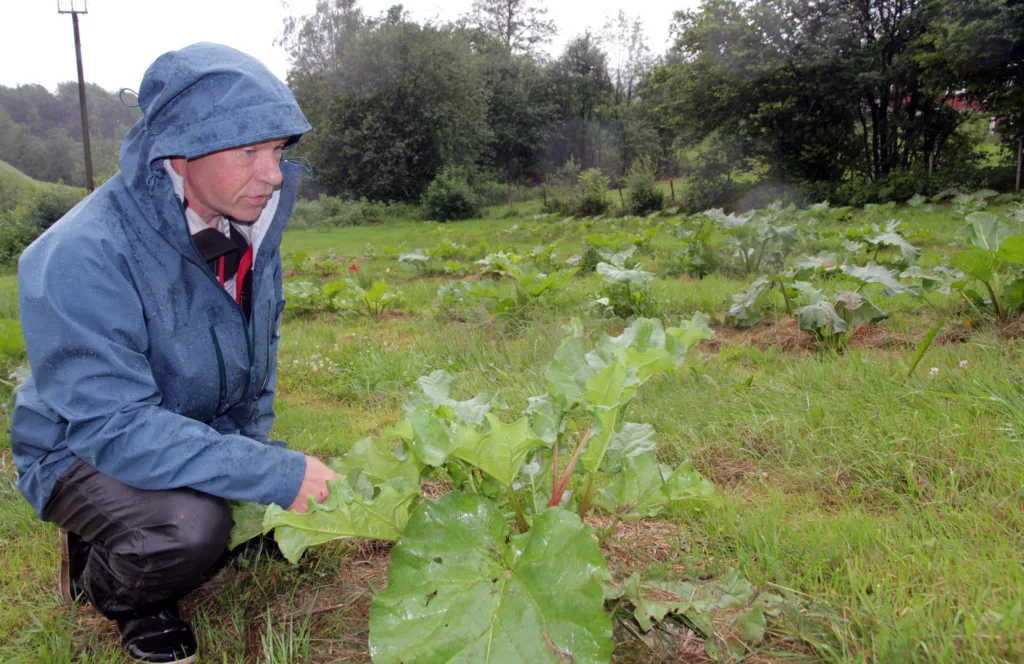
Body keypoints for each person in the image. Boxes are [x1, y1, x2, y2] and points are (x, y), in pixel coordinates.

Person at [10, 43, 338, 664]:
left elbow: (254, 355)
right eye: (249, 151)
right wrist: (272, 474)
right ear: (180, 155)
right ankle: (116, 587)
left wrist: (254, 457)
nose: (273, 174)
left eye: (277, 151)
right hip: (80, 446)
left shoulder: (245, 227)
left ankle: (181, 513)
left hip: (181, 426)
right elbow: (112, 425)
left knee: (261, 505)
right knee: (190, 532)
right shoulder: (84, 251)